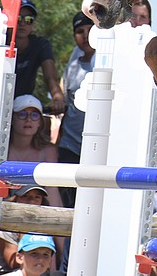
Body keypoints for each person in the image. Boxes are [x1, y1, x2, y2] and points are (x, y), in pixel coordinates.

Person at [55, 12, 95, 207]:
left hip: (98, 146)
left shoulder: (112, 61)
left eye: (91, 29)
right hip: (70, 145)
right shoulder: (73, 63)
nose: (86, 35)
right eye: (80, 31)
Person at [7, 94, 63, 207]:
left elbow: (52, 190)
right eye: (22, 114)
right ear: (12, 119)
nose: (28, 119)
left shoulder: (48, 151)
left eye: (34, 115)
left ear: (40, 122)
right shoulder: (1, 149)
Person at [14, 0, 64, 114]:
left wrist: (57, 98)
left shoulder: (40, 45)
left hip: (23, 106)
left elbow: (50, 78)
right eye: (17, 18)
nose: (22, 23)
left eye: (28, 20)